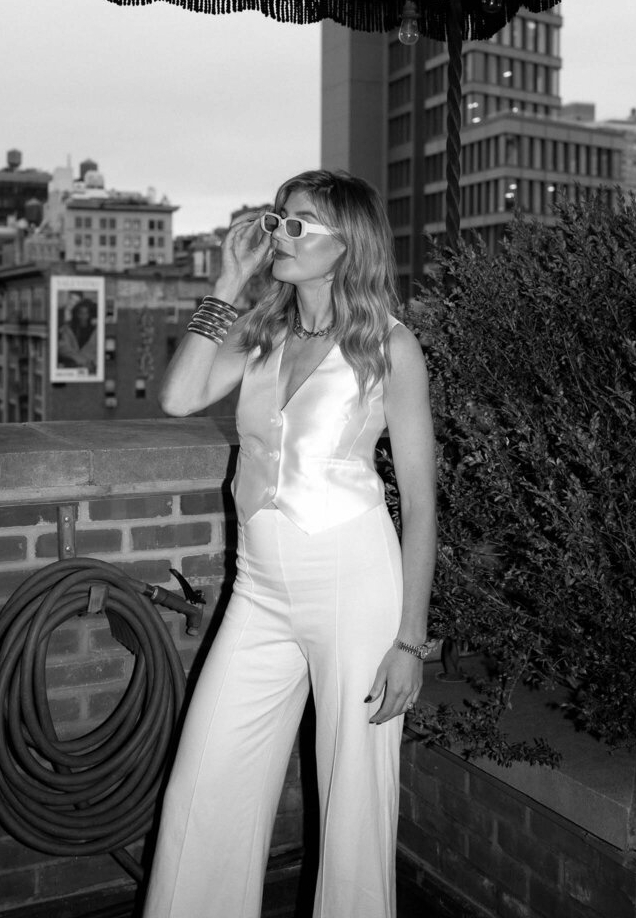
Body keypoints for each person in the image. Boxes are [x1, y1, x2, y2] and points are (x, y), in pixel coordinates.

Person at [144, 170, 436, 918]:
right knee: (204, 783)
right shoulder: (263, 327)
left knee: (354, 806)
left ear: (349, 246)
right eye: (279, 218)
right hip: (259, 591)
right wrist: (229, 277)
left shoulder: (389, 347)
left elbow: (422, 504)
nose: (281, 233)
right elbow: (178, 397)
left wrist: (410, 640)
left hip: (353, 585)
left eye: (300, 224)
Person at [57, 297, 97, 373]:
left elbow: (98, 351)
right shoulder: (67, 329)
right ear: (76, 314)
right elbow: (63, 348)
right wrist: (82, 360)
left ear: (90, 314)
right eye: (80, 313)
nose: (83, 316)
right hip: (72, 368)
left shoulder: (96, 331)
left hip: (92, 369)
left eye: (86, 313)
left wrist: (93, 363)